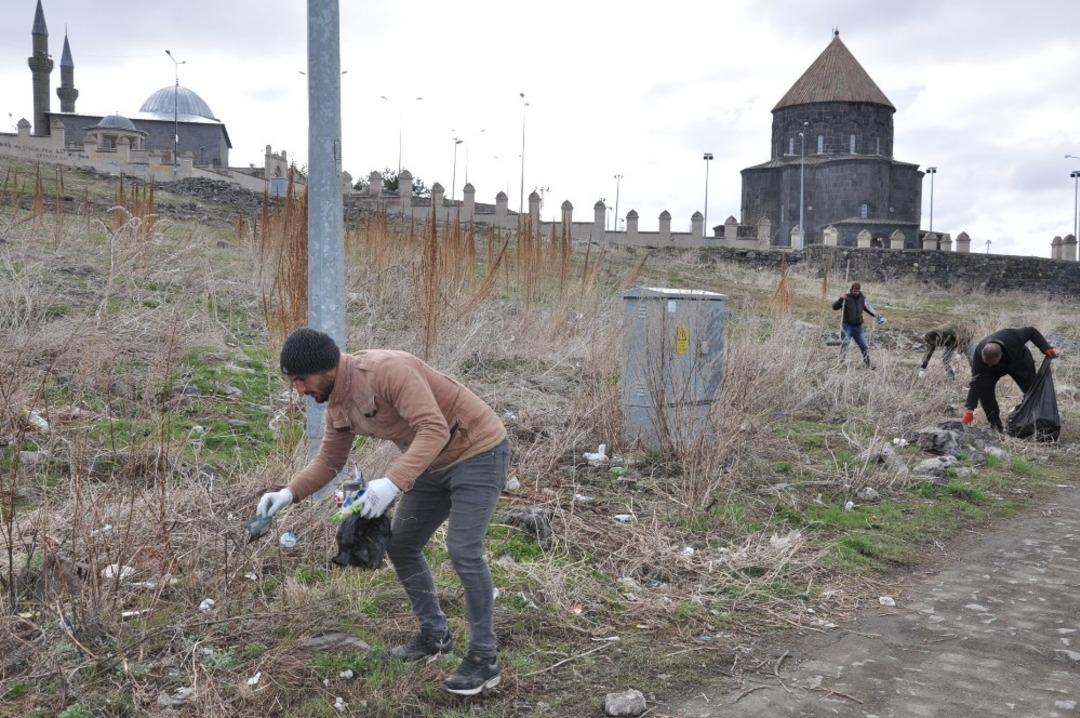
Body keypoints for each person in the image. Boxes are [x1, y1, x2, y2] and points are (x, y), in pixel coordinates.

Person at [256, 328, 510, 696]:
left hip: (478, 451)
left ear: (325, 368)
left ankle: (484, 659)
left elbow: (434, 428)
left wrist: (391, 483)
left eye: (301, 379)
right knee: (402, 544)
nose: (298, 389)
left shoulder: (387, 371)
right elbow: (330, 460)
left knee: (463, 551)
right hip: (430, 462)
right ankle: (435, 637)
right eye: (292, 381)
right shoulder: (337, 402)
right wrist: (288, 493)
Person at [962, 327, 1058, 430]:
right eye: (987, 363)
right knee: (985, 392)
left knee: (1033, 391)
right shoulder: (979, 357)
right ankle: (995, 425)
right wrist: (969, 409)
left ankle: (1037, 420)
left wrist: (1045, 347)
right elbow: (976, 383)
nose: (989, 365)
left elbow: (1031, 331)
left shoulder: (1012, 337)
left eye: (991, 363)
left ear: (1000, 355)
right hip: (992, 373)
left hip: (1019, 362)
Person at [832, 282, 884, 368]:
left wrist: (878, 316)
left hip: (858, 328)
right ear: (851, 290)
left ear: (859, 291)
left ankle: (868, 364)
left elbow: (869, 309)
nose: (856, 293)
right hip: (847, 326)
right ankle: (840, 364)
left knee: (864, 345)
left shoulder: (862, 299)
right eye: (854, 291)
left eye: (857, 291)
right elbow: (834, 307)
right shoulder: (846, 298)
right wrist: (840, 299)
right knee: (845, 344)